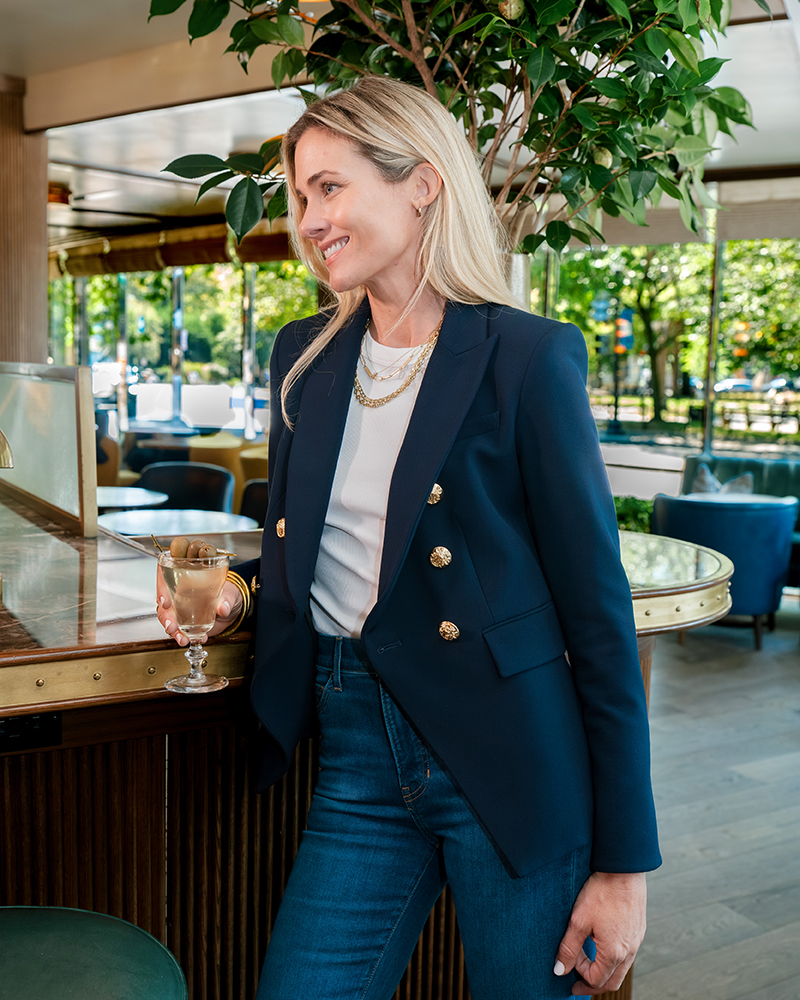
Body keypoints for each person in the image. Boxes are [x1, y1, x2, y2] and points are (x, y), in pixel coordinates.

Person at [157, 75, 660, 999]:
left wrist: (625, 868)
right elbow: (323, 545)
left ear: (421, 183)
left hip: (509, 761)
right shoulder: (302, 359)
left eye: (329, 188)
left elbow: (598, 618)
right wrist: (235, 590)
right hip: (354, 747)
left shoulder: (528, 358)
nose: (309, 219)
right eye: (303, 197)